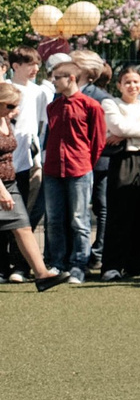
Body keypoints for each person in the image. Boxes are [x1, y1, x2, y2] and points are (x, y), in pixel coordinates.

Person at [40, 53, 106, 285]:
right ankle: (58, 263)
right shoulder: (53, 106)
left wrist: (85, 162)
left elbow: (98, 141)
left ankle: (79, 265)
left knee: (80, 220)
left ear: (71, 78)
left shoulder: (91, 106)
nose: (54, 81)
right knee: (54, 220)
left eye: (57, 77)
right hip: (53, 170)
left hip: (79, 169)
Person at [0, 82, 71, 290]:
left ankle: (42, 275)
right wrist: (2, 192)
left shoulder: (6, 120)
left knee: (23, 226)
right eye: (10, 106)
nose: (15, 110)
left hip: (10, 182)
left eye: (16, 106)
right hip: (2, 186)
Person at [98, 65, 140, 280]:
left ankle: (136, 264)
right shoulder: (110, 103)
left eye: (136, 82)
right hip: (124, 160)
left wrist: (130, 133)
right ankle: (112, 266)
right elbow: (119, 128)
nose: (132, 86)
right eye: (127, 82)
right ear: (119, 85)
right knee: (120, 214)